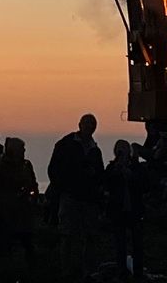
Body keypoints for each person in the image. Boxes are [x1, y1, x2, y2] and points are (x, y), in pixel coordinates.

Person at [47, 113, 105, 280]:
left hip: (88, 199)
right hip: (71, 196)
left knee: (89, 236)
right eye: (87, 125)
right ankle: (68, 271)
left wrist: (95, 179)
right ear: (80, 125)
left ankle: (87, 271)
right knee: (68, 235)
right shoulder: (66, 144)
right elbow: (54, 170)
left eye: (92, 126)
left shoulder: (95, 150)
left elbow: (99, 174)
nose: (89, 128)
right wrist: (64, 186)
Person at [0, 136, 39, 265]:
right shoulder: (1, 168)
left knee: (28, 245)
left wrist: (32, 197)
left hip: (25, 214)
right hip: (8, 214)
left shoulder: (26, 165)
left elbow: (34, 184)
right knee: (10, 246)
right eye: (21, 149)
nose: (24, 151)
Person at [104, 139, 146, 279]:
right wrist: (117, 170)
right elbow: (106, 183)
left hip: (134, 210)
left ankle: (138, 272)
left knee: (137, 244)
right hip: (118, 211)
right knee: (120, 244)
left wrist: (130, 175)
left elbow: (143, 184)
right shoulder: (111, 168)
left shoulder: (136, 167)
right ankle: (122, 271)